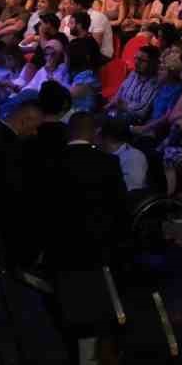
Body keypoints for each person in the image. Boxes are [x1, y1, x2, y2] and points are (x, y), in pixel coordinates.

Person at [44, 112, 129, 269]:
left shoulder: (50, 160)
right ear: (95, 133)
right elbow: (120, 204)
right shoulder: (109, 162)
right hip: (97, 244)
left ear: (69, 131)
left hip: (57, 242)